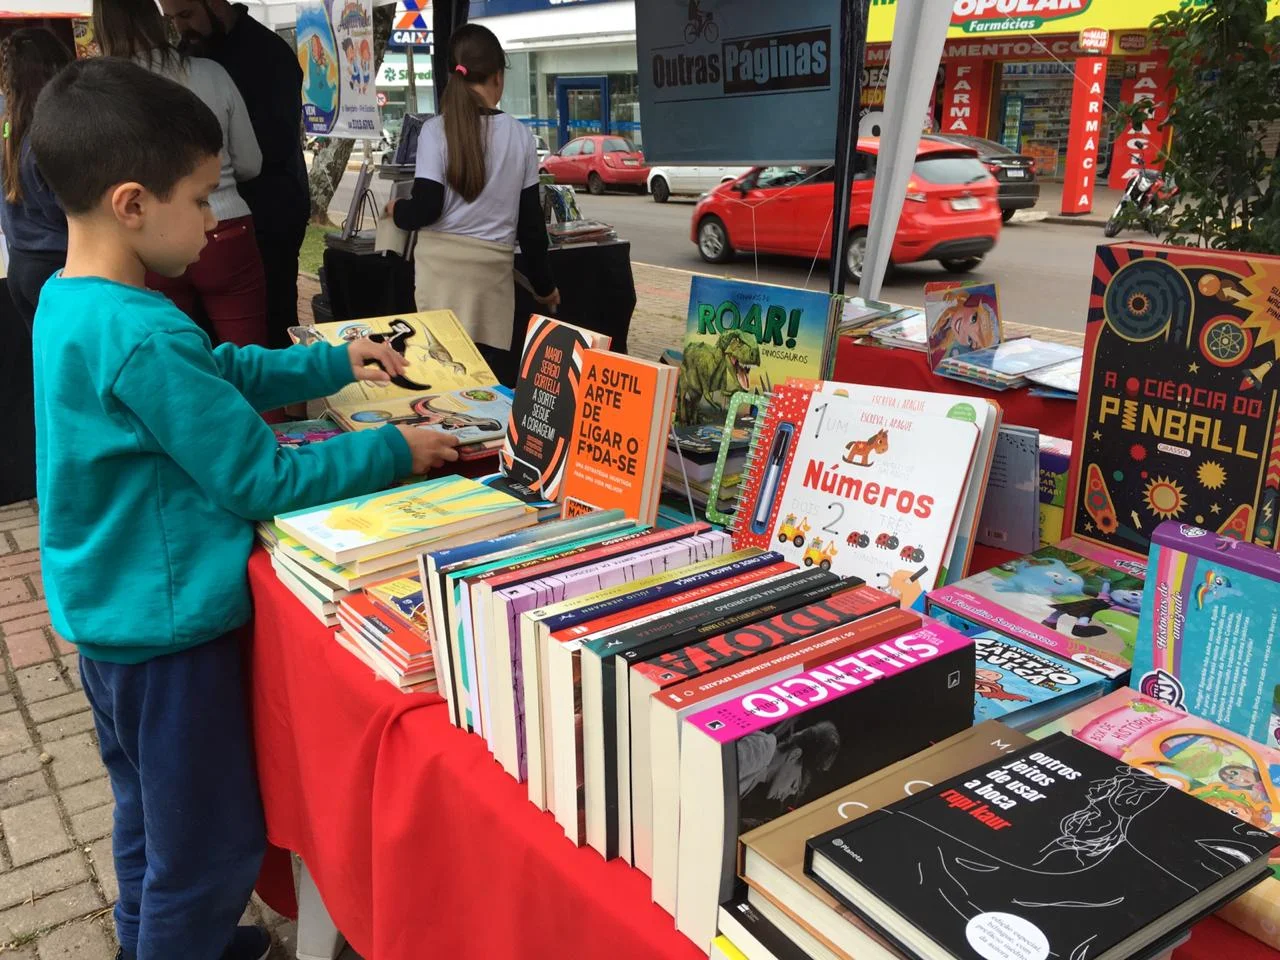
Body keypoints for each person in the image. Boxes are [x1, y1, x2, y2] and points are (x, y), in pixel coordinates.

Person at [28, 57, 458, 960]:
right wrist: (395, 449)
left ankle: (150, 941)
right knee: (210, 846)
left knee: (148, 816)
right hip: (171, 638)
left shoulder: (73, 303)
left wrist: (331, 360)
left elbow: (213, 373)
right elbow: (259, 477)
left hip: (113, 626)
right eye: (199, 199)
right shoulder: (141, 332)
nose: (216, 220)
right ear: (132, 204)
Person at [94, 0, 269, 348]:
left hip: (150, 235)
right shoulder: (211, 73)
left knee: (173, 359)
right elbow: (251, 163)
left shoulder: (103, 90)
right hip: (226, 228)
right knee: (252, 356)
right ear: (157, 19)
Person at [389, 24, 559, 370]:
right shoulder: (520, 136)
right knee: (485, 382)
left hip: (438, 279)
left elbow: (427, 208)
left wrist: (397, 210)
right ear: (497, 76)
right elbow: (531, 227)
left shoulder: (434, 131)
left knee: (439, 375)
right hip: (490, 286)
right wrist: (545, 288)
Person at [158, 0, 311, 349]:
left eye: (186, 15)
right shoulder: (188, 55)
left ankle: (279, 387)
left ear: (214, 4)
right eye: (172, 20)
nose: (180, 28)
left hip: (271, 212)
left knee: (272, 327)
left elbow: (274, 143)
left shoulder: (269, 54)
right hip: (213, 218)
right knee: (207, 338)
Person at [0, 28, 72, 330]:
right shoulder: (50, 138)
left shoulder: (9, 126)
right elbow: (72, 209)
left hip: (20, 265)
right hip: (59, 266)